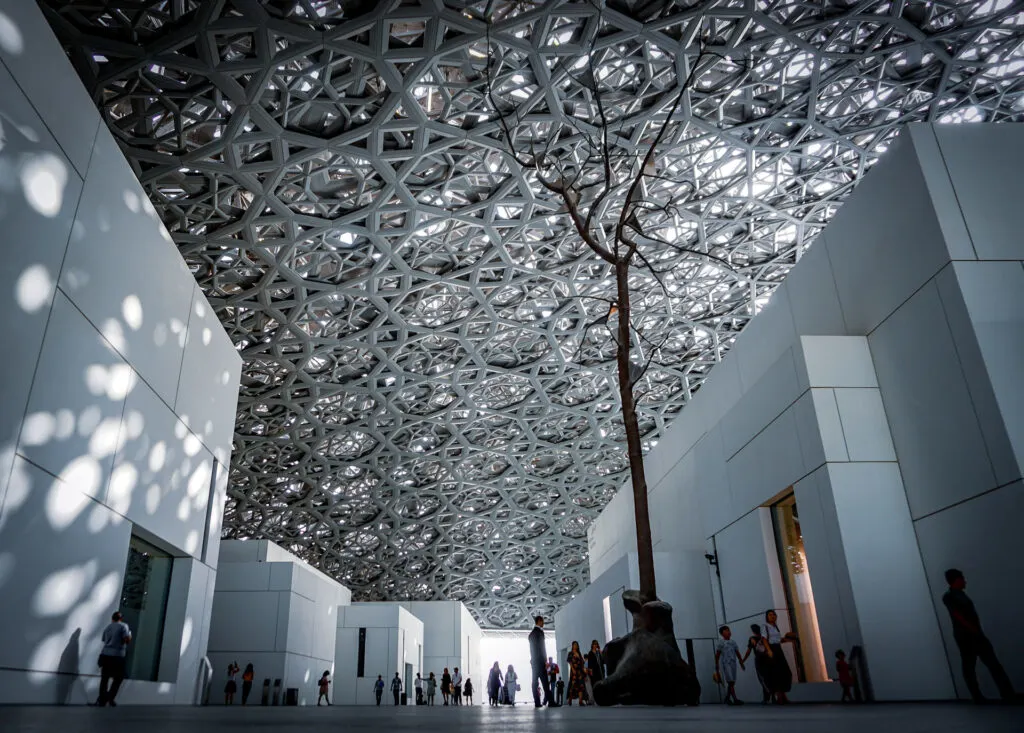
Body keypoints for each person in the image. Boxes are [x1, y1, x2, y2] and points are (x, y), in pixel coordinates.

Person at [942, 568, 1015, 703]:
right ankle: (981, 696)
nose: (965, 581)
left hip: (973, 634)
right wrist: (973, 629)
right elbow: (957, 615)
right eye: (962, 578)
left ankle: (1006, 693)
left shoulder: (959, 595)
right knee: (972, 666)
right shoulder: (949, 596)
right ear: (957, 580)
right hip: (967, 636)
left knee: (987, 664)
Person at [95, 611, 131, 707]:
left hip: (105, 654)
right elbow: (126, 640)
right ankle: (109, 697)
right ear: (121, 619)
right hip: (117, 656)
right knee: (119, 677)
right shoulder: (124, 626)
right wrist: (129, 636)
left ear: (112, 618)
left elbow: (104, 640)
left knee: (105, 678)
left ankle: (102, 699)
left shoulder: (108, 627)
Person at [763, 610, 796, 704]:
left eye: (774, 614)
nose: (772, 616)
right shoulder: (765, 626)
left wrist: (787, 640)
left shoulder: (775, 627)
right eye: (770, 615)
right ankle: (779, 697)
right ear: (767, 617)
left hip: (778, 649)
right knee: (776, 672)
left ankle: (783, 695)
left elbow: (777, 640)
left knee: (785, 672)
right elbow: (764, 639)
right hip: (771, 649)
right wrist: (769, 650)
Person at [741, 624, 772, 704]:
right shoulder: (765, 637)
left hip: (759, 660)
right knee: (768, 677)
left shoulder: (753, 638)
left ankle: (767, 697)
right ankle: (771, 697)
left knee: (762, 678)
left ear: (753, 631)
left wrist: (743, 660)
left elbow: (748, 651)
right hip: (768, 658)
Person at [715, 626, 745, 705]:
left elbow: (737, 652)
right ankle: (735, 699)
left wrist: (741, 662)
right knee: (730, 681)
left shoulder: (733, 642)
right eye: (726, 631)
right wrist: (716, 665)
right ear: (722, 633)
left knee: (732, 682)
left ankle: (727, 698)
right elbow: (717, 655)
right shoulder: (721, 642)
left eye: (729, 630)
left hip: (733, 663)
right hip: (726, 663)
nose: (728, 632)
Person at [528, 615, 553, 707]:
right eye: (542, 621)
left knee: (535, 682)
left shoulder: (531, 634)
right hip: (540, 662)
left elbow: (532, 650)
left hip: (534, 661)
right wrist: (545, 661)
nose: (544, 623)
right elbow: (542, 648)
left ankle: (537, 702)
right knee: (545, 683)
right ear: (539, 621)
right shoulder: (540, 633)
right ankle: (551, 701)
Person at [566, 641, 586, 705]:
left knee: (581, 685)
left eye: (576, 645)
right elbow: (570, 662)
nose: (575, 646)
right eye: (574, 645)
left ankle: (580, 701)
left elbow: (582, 662)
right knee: (573, 685)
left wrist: (584, 670)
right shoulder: (570, 653)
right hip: (574, 671)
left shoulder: (579, 653)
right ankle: (570, 699)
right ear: (572, 646)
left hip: (580, 671)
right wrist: (572, 669)